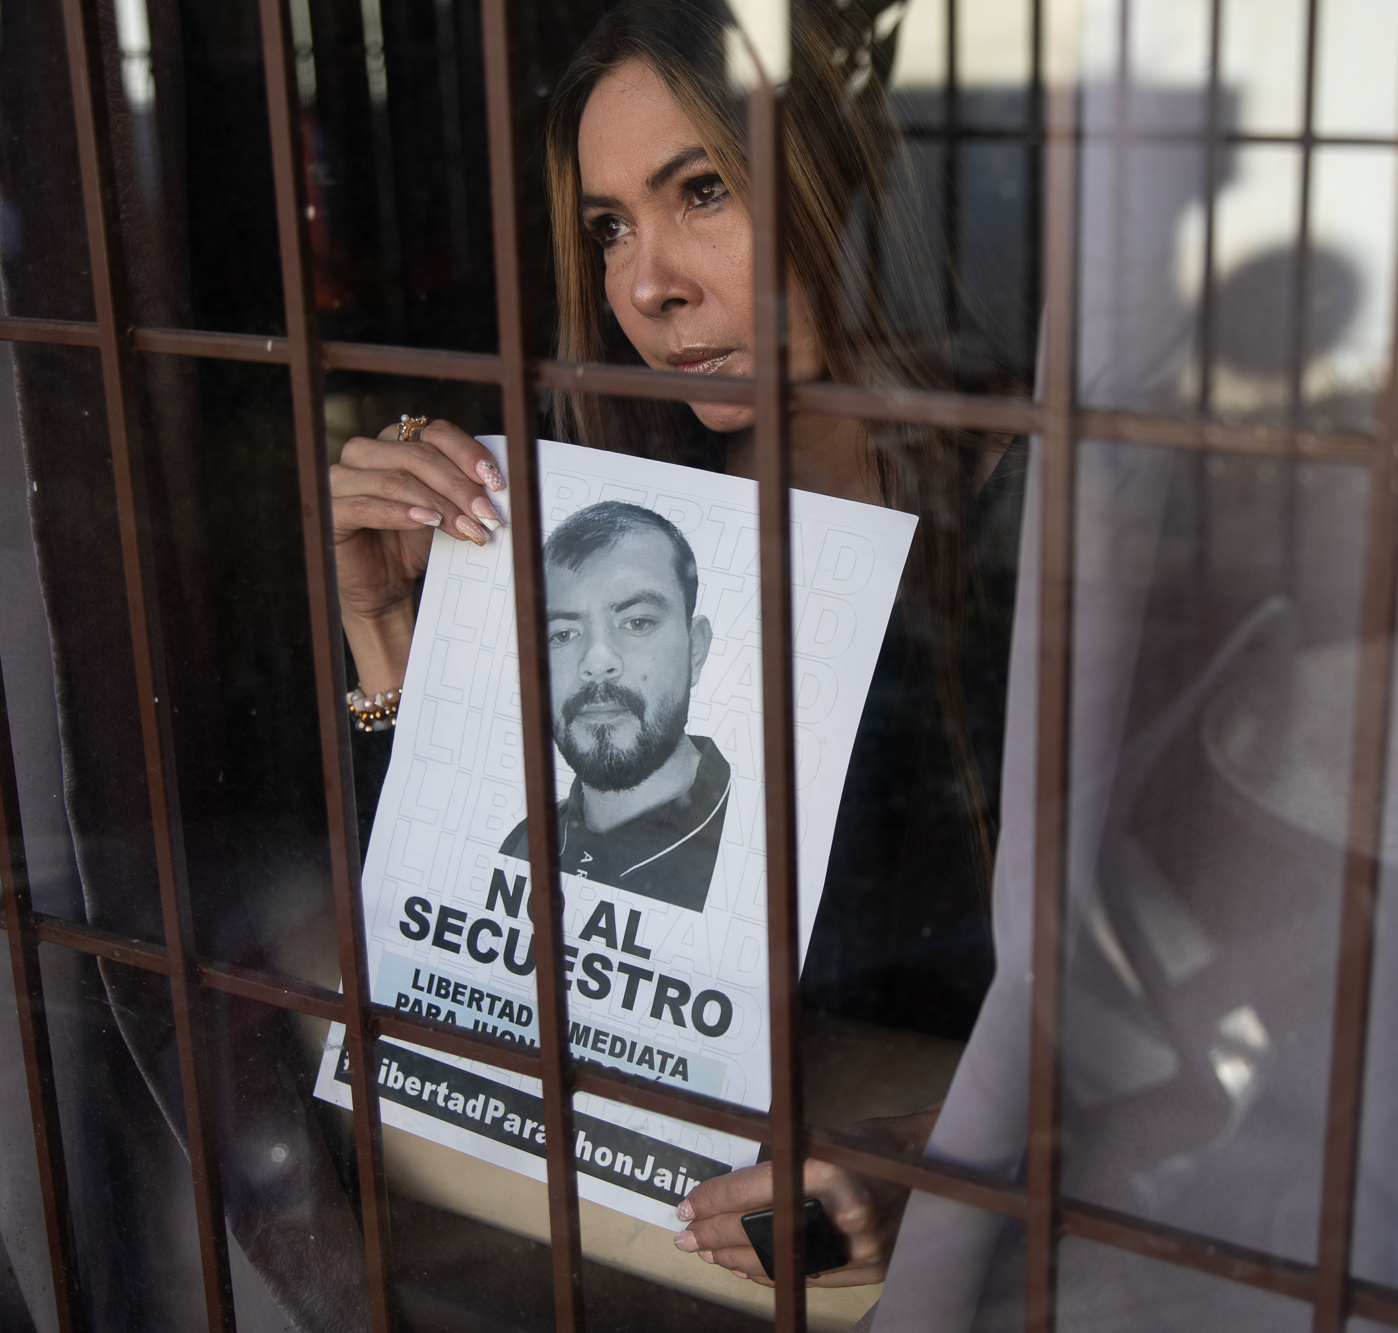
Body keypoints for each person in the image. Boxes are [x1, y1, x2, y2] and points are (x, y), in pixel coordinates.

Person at [328, 0, 1023, 1290]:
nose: (648, 286)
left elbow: (1177, 985)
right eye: (609, 227)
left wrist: (947, 1156)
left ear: (847, 187)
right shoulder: (615, 502)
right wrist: (384, 627)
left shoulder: (1030, 514)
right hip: (594, 1232)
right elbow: (465, 951)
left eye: (701, 191)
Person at [497, 500, 730, 912]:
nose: (596, 662)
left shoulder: (761, 850)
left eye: (637, 623)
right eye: (563, 634)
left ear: (695, 651)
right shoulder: (524, 843)